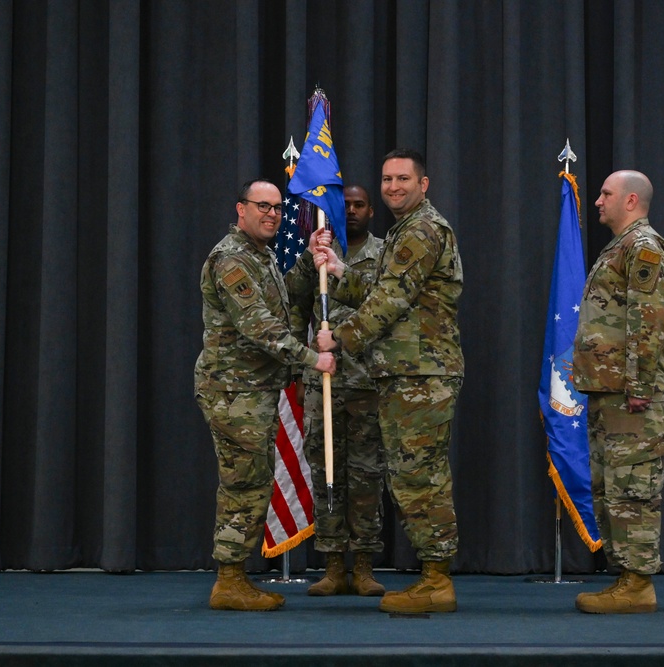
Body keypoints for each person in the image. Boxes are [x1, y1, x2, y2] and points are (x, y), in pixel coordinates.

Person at [312, 149, 464, 613]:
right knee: (409, 476)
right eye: (387, 179)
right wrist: (339, 273)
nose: (394, 186)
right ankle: (432, 575)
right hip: (405, 371)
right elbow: (382, 288)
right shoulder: (405, 230)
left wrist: (337, 338)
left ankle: (437, 580)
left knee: (421, 477)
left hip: (422, 373)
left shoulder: (420, 230)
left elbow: (391, 301)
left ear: (425, 184)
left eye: (403, 178)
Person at [194, 179, 337, 612]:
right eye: (262, 206)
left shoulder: (262, 257)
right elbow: (259, 325)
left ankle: (234, 577)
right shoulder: (232, 259)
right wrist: (313, 359)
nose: (272, 214)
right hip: (233, 391)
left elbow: (283, 300)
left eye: (277, 208)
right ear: (241, 209)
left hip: (252, 389)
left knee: (254, 481)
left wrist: (311, 261)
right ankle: (229, 579)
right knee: (244, 484)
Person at [571, 170, 664, 614]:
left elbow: (648, 321)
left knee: (633, 488)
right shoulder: (620, 245)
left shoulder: (644, 246)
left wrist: (639, 385)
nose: (597, 200)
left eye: (605, 194)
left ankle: (637, 585)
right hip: (607, 389)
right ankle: (625, 578)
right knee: (612, 487)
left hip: (631, 393)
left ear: (630, 201)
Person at [284, 185, 387, 597]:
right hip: (322, 383)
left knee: (366, 477)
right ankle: (331, 565)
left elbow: (386, 302)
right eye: (343, 206)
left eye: (359, 205)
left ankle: (363, 565)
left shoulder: (382, 253)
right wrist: (312, 260)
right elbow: (292, 297)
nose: (351, 212)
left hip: (367, 381)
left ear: (371, 211)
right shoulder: (317, 253)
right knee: (326, 473)